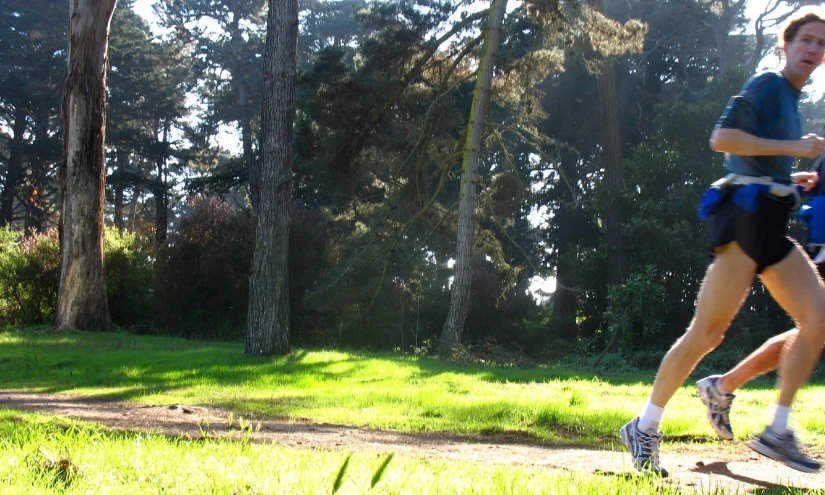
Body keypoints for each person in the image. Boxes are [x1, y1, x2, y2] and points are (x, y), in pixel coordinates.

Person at [619, 7, 825, 476]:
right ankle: (645, 426)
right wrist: (793, 149)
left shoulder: (791, 101)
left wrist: (792, 177)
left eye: (821, 44)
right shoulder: (767, 85)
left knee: (818, 319)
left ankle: (778, 429)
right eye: (806, 40)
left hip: (770, 223)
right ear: (787, 45)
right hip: (743, 221)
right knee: (707, 334)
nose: (814, 49)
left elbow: (757, 160)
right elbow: (723, 138)